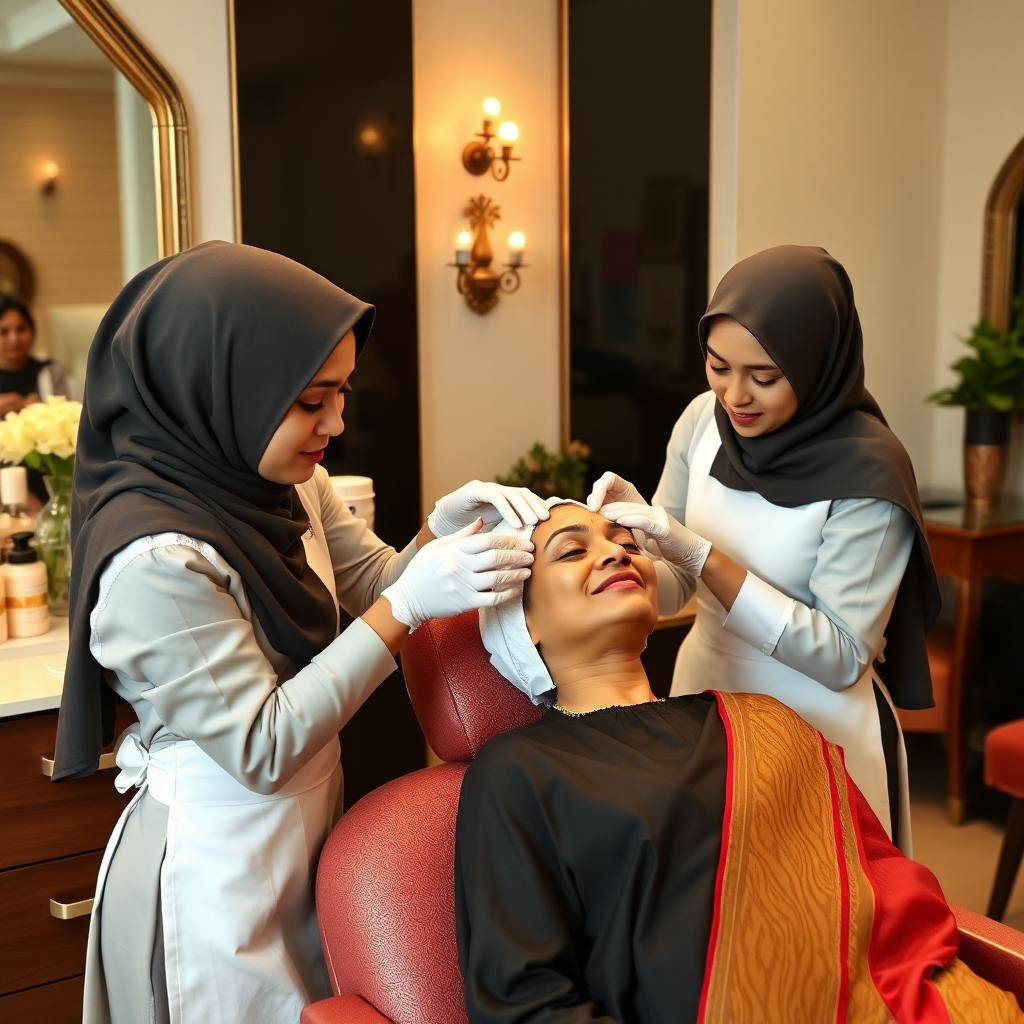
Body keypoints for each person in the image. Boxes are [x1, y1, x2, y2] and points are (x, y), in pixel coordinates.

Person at [51, 241, 551, 1024]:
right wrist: (407, 609)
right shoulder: (154, 560)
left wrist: (438, 530)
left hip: (303, 832)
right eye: (312, 400)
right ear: (224, 388)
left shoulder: (284, 480)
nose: (337, 423)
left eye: (342, 393)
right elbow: (262, 745)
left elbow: (378, 584)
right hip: (214, 865)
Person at [456, 500, 1019, 1024]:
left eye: (627, 542)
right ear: (521, 621)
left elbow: (888, 897)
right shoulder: (517, 772)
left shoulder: (762, 722)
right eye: (572, 551)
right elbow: (526, 1000)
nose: (614, 553)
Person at [586, 245, 939, 853]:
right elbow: (674, 586)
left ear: (817, 364)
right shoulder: (701, 421)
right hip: (707, 697)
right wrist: (636, 540)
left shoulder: (869, 473)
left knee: (818, 915)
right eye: (718, 366)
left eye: (765, 377)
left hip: (817, 722)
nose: (735, 396)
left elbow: (841, 656)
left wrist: (703, 557)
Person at [0, 293, 71, 505]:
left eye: (21, 329)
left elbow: (67, 424)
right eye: (3, 331)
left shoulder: (50, 372)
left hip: (45, 477)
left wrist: (37, 413)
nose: (14, 338)